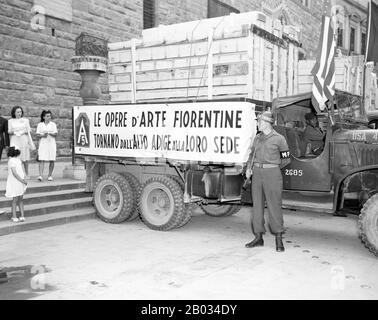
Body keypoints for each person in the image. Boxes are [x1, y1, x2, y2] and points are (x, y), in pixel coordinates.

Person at [245, 111, 291, 252]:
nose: (257, 124)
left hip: (272, 174)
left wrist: (272, 167)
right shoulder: (257, 138)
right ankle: (258, 237)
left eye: (259, 122)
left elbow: (286, 159)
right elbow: (252, 154)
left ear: (266, 123)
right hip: (257, 174)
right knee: (257, 206)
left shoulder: (279, 139)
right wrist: (249, 168)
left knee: (274, 206)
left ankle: (278, 238)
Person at [8, 106, 33, 178]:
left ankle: (27, 174)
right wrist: (15, 132)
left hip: (23, 139)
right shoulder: (10, 121)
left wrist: (22, 132)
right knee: (14, 157)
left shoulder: (25, 120)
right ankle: (14, 174)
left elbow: (29, 130)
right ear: (14, 113)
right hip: (15, 139)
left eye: (20, 112)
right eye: (17, 112)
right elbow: (9, 131)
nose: (19, 113)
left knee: (24, 157)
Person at [5, 146, 27, 223]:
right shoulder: (11, 161)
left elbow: (21, 170)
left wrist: (24, 178)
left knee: (21, 199)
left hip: (20, 181)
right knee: (15, 200)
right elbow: (14, 173)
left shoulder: (18, 160)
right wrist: (22, 180)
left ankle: (22, 215)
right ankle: (14, 216)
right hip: (15, 182)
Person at [36, 110, 58, 181]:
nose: (49, 117)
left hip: (51, 144)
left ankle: (50, 175)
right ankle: (40, 175)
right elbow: (37, 135)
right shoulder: (40, 125)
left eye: (50, 116)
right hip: (43, 143)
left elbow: (55, 134)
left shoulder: (53, 124)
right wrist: (43, 135)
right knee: (41, 159)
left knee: (52, 159)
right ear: (44, 117)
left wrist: (50, 133)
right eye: (47, 116)